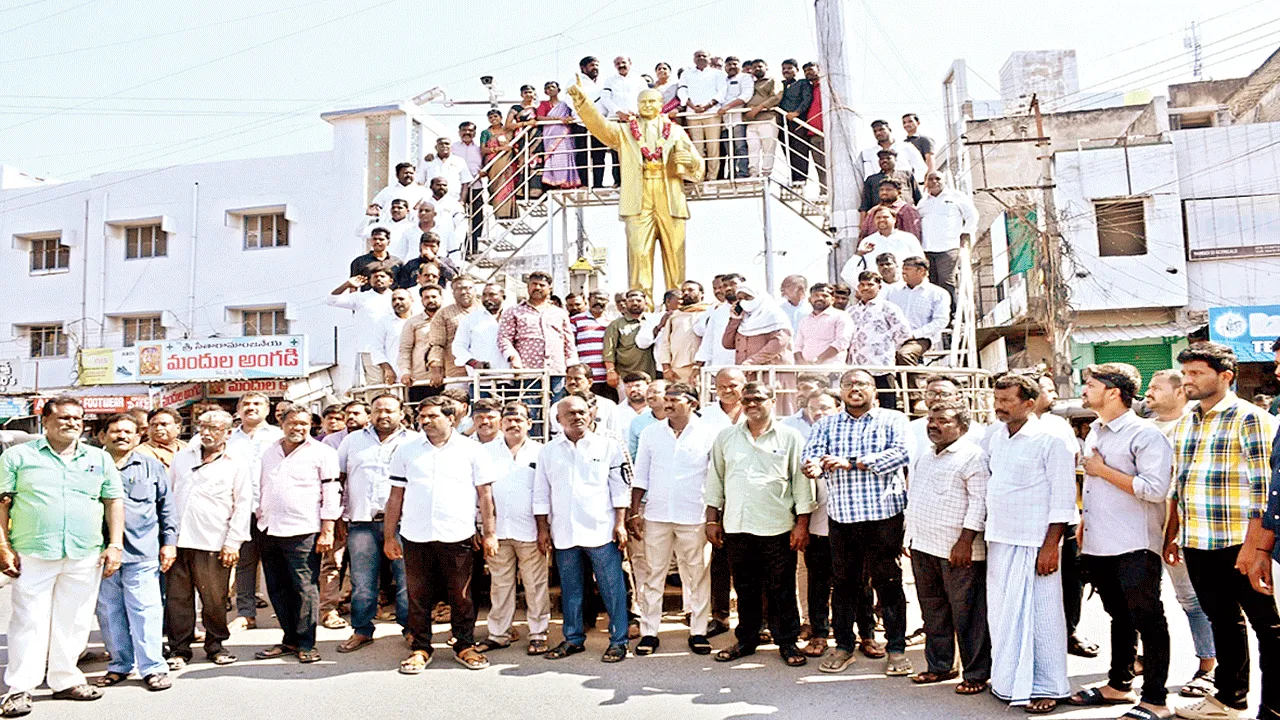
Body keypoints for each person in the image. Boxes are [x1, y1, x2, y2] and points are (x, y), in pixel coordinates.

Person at [1168, 342, 1280, 720]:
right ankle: (1230, 700)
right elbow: (1179, 485)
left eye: (1196, 373)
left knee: (1269, 629)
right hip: (1198, 541)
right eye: (1185, 373)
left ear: (1226, 376)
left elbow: (1264, 489)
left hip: (1241, 543)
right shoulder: (1186, 422)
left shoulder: (1251, 419)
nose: (1187, 381)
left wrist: (1254, 547)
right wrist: (1173, 534)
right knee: (1223, 623)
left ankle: (1274, 709)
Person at [0, 398, 125, 715]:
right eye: (64, 417)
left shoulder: (98, 458)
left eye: (77, 418)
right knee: (29, 620)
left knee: (75, 620)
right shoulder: (18, 456)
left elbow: (113, 501)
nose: (72, 423)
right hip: (34, 550)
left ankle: (65, 680)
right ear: (45, 420)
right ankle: (20, 688)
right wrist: (3, 545)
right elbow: (1, 503)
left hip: (85, 551)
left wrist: (115, 545)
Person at [1063, 364, 1173, 719]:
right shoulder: (1096, 430)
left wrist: (1103, 471)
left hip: (1134, 544)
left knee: (1148, 619)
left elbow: (1155, 490)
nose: (1084, 390)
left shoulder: (1144, 434)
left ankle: (1155, 699)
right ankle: (1119, 685)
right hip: (1100, 542)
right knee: (1119, 616)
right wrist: (1086, 522)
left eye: (1090, 385)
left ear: (1113, 392)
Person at [802, 369, 912, 676]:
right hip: (843, 518)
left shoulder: (893, 419)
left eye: (861, 384)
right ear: (841, 392)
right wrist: (812, 466)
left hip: (884, 516)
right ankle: (844, 647)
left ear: (874, 390)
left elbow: (901, 454)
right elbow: (811, 455)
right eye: (848, 384)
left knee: (888, 584)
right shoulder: (826, 424)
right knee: (844, 585)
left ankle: (896, 650)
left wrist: (851, 463)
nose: (854, 389)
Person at [983, 374, 1076, 713]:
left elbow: (1064, 497)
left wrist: (1051, 546)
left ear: (1029, 403)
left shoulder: (1052, 439)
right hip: (1000, 537)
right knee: (1003, 615)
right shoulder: (995, 437)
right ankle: (1009, 682)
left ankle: (1048, 687)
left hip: (1035, 541)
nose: (999, 407)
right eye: (997, 400)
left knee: (1042, 616)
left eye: (1007, 401)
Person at [567, 74, 704, 300]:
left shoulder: (676, 131)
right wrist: (582, 100)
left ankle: (679, 303)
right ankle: (641, 305)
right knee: (639, 253)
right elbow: (599, 126)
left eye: (652, 101)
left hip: (669, 194)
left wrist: (690, 162)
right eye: (643, 102)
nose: (647, 105)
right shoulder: (625, 131)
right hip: (638, 196)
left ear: (661, 104)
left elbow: (698, 165)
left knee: (675, 253)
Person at [386, 397, 498, 673]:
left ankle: (464, 645)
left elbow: (485, 496)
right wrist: (389, 536)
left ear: (451, 418)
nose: (425, 421)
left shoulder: (472, 450)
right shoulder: (406, 450)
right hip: (415, 534)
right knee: (417, 596)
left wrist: (490, 534)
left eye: (432, 416)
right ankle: (421, 648)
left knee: (462, 595)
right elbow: (395, 496)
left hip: (458, 534)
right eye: (422, 416)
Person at [706, 382, 813, 667]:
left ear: (772, 401)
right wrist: (711, 519)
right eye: (746, 400)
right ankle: (747, 639)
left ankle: (787, 641)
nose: (752, 404)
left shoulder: (790, 437)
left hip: (777, 525)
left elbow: (801, 483)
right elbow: (715, 479)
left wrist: (802, 524)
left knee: (781, 588)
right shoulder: (727, 437)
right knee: (744, 587)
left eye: (758, 399)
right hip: (737, 525)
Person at [535, 394, 633, 663]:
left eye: (582, 412)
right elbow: (541, 493)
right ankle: (573, 638)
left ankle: (619, 641)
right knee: (571, 590)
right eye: (571, 413)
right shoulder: (548, 451)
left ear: (590, 414)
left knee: (612, 588)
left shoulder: (608, 446)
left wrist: (620, 523)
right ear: (559, 419)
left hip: (601, 529)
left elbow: (620, 488)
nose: (577, 417)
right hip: (564, 531)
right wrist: (543, 529)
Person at [903, 399, 991, 694]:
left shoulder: (973, 457)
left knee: (968, 615)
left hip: (958, 551)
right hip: (924, 545)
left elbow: (980, 503)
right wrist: (910, 537)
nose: (934, 425)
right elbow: (915, 497)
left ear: (962, 427)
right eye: (931, 420)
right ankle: (940, 666)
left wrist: (965, 541)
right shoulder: (926, 455)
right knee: (933, 611)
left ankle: (976, 674)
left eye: (943, 421)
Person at [628, 382, 718, 656]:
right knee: (654, 574)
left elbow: (715, 478)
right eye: (666, 399)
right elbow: (641, 475)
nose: (667, 404)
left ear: (692, 403)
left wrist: (712, 518)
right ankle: (649, 632)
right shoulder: (651, 433)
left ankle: (698, 631)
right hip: (656, 514)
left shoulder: (709, 433)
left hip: (694, 514)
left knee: (697, 575)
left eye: (674, 400)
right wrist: (634, 511)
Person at [1145, 369, 1219, 699]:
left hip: (1183, 530)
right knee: (1143, 598)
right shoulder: (1144, 429)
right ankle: (1144, 658)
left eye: (1156, 388)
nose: (1149, 393)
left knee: (1191, 599)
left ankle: (1207, 665)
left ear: (1179, 393)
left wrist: (1173, 532)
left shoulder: (1194, 426)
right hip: (1144, 527)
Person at [91, 413, 175, 692]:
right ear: (102, 436)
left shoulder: (152, 466)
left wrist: (169, 542)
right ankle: (120, 664)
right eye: (115, 431)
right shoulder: (90, 465)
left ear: (138, 437)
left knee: (145, 610)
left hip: (143, 551)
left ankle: (153, 667)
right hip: (100, 552)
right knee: (109, 611)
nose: (122, 436)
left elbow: (166, 507)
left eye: (129, 432)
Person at [252, 408, 340, 665]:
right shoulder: (269, 451)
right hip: (269, 528)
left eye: (303, 423)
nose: (298, 428)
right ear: (281, 423)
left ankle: (306, 643)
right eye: (292, 423)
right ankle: (289, 638)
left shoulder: (323, 452)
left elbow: (331, 492)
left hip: (303, 530)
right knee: (277, 587)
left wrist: (328, 529)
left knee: (304, 588)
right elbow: (260, 486)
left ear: (311, 425)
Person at [166, 409, 253, 670]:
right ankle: (179, 649)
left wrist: (233, 543)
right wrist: (167, 538)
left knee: (214, 599)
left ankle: (216, 645)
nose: (206, 433)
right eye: (202, 427)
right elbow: (169, 496)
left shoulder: (236, 462)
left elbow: (243, 504)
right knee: (178, 599)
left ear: (228, 432)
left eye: (214, 428)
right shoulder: (182, 458)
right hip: (180, 540)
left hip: (214, 541)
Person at [333, 395, 417, 653]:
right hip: (362, 522)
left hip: (404, 524)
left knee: (407, 581)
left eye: (389, 410)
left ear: (401, 413)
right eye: (378, 410)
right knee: (363, 582)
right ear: (370, 413)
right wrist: (337, 516)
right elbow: (338, 480)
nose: (383, 415)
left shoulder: (415, 442)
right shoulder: (352, 441)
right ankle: (361, 630)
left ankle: (410, 629)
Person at [477, 403, 550, 655]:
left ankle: (538, 633)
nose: (513, 424)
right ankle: (499, 634)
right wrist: (483, 529)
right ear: (501, 423)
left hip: (530, 530)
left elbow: (545, 493)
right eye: (508, 420)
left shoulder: (542, 452)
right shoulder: (485, 452)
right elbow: (480, 493)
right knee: (500, 585)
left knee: (535, 584)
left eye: (519, 419)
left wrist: (544, 530)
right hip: (497, 531)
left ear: (529, 423)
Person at [226, 392, 284, 632]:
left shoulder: (279, 436)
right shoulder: (229, 438)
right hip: (240, 510)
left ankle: (284, 613)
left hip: (273, 509)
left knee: (277, 564)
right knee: (244, 563)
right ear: (238, 409)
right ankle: (246, 614)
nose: (251, 408)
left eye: (257, 404)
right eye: (246, 404)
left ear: (267, 409)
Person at [498, 271, 578, 401]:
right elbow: (504, 338)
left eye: (542, 285)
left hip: (556, 370)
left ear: (550, 288)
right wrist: (513, 357)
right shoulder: (514, 311)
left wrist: (572, 365)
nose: (537, 288)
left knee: (557, 408)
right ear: (528, 286)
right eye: (534, 284)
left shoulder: (559, 313)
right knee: (530, 409)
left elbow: (568, 341)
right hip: (528, 371)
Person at [845, 271, 910, 408]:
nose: (865, 288)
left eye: (870, 284)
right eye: (862, 285)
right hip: (858, 367)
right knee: (860, 404)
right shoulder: (851, 311)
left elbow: (903, 333)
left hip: (881, 365)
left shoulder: (888, 308)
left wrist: (885, 348)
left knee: (887, 404)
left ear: (879, 287)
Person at [917, 171, 977, 312]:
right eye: (930, 179)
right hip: (927, 249)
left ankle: (952, 313)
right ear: (926, 183)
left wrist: (966, 233)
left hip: (949, 247)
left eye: (938, 178)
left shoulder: (956, 196)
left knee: (946, 281)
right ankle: (937, 313)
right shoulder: (923, 202)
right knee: (932, 283)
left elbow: (972, 216)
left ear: (944, 181)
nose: (934, 181)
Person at [329, 269, 396, 389]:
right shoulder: (361, 297)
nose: (378, 279)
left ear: (391, 281)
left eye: (382, 276)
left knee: (398, 384)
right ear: (370, 281)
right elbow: (331, 300)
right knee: (376, 386)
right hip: (370, 349)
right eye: (375, 277)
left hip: (394, 347)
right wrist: (347, 284)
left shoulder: (398, 297)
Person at [887, 256, 951, 365]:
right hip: (893, 338)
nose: (903, 272)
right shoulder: (892, 291)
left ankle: (919, 376)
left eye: (907, 269)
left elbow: (941, 321)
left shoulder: (938, 293)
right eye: (903, 269)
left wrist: (914, 334)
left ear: (921, 271)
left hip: (921, 338)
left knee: (904, 355)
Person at [599, 56, 650, 185]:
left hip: (636, 119)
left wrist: (638, 112)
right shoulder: (610, 80)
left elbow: (645, 97)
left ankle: (639, 180)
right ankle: (619, 181)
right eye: (617, 63)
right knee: (617, 151)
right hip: (616, 120)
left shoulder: (639, 80)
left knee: (638, 149)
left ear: (630, 63)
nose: (621, 65)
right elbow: (605, 98)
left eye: (623, 62)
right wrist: (618, 112)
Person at [646, 279, 708, 383]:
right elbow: (665, 343)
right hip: (678, 368)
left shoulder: (709, 312)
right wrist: (666, 368)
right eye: (683, 291)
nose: (686, 293)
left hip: (704, 367)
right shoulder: (674, 315)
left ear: (701, 293)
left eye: (690, 290)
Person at [427, 275, 481, 392]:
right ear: (453, 293)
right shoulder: (443, 314)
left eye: (468, 288)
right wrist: (436, 368)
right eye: (459, 289)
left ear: (475, 290)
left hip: (485, 371)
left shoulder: (486, 310)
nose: (464, 292)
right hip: (457, 373)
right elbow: (437, 344)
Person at [679, 50, 727, 180]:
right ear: (693, 59)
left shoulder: (718, 74)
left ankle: (712, 176)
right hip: (693, 114)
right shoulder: (686, 73)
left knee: (713, 147)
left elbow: (722, 92)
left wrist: (708, 105)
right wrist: (693, 106)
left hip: (712, 113)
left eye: (704, 56)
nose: (701, 58)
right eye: (698, 56)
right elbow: (682, 91)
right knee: (697, 148)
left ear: (709, 59)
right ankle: (699, 175)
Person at [721, 284, 794, 366]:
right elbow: (727, 344)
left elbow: (778, 343)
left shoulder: (775, 316)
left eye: (747, 297)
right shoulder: (743, 319)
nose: (744, 302)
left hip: (771, 371)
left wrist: (752, 362)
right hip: (746, 371)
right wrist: (735, 320)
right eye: (740, 299)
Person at [398, 285, 445, 401]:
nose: (431, 300)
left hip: (447, 377)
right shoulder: (413, 322)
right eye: (426, 297)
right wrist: (405, 372)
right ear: (422, 300)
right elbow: (405, 349)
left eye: (434, 296)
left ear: (441, 298)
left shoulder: (449, 319)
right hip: (421, 379)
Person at [453, 281, 509, 378]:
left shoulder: (512, 317)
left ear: (503, 297)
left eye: (492, 295)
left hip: (509, 378)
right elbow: (458, 347)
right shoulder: (470, 319)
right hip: (480, 380)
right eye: (484, 295)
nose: (487, 298)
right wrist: (474, 363)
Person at [604, 288, 658, 386]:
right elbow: (609, 350)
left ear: (646, 303)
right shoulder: (616, 324)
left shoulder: (654, 321)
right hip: (625, 376)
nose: (635, 303)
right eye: (631, 301)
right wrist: (610, 371)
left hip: (651, 375)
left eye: (639, 300)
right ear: (626, 303)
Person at [794, 282, 853, 365]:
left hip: (831, 369)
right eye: (816, 295)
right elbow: (797, 346)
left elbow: (841, 342)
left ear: (832, 300)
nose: (820, 298)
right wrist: (802, 363)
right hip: (806, 369)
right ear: (809, 299)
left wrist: (818, 360)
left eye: (825, 296)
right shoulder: (804, 321)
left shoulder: (841, 316)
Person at [536, 81, 582, 189]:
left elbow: (572, 116)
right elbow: (539, 117)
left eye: (553, 87)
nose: (551, 89)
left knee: (566, 155)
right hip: (550, 134)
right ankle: (555, 181)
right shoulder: (544, 104)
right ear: (545, 92)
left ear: (558, 90)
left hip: (564, 134)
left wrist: (568, 118)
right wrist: (558, 119)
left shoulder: (565, 105)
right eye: (548, 88)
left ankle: (568, 181)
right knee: (554, 157)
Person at [570, 290, 613, 400]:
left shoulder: (612, 322)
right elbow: (570, 346)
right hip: (584, 377)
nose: (599, 302)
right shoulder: (575, 320)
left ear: (608, 302)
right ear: (588, 300)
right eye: (596, 298)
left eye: (603, 299)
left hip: (607, 377)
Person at [695, 273, 743, 369]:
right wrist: (697, 366)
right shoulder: (717, 311)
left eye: (732, 284)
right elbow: (708, 340)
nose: (728, 288)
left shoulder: (755, 308)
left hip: (748, 367)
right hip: (720, 366)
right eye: (724, 286)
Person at [716, 56, 753, 179]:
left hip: (738, 118)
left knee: (740, 147)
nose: (732, 67)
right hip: (723, 121)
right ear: (725, 67)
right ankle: (732, 173)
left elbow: (746, 95)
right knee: (729, 150)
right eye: (729, 65)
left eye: (734, 64)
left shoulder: (745, 77)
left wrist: (728, 107)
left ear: (739, 65)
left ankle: (742, 173)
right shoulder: (722, 80)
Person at [777, 59, 814, 185]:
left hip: (798, 122)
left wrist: (797, 112)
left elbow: (807, 98)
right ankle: (793, 178)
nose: (786, 71)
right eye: (784, 69)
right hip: (783, 123)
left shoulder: (803, 83)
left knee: (800, 151)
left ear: (796, 70)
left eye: (789, 68)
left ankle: (801, 179)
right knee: (788, 152)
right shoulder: (781, 85)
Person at [858, 119, 926, 184]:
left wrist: (911, 184)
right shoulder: (868, 152)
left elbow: (921, 168)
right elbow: (867, 175)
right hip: (880, 189)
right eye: (875, 131)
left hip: (904, 187)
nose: (878, 133)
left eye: (881, 129)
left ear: (889, 130)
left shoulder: (906, 147)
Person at [453, 122, 485, 257]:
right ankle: (456, 248)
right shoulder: (452, 148)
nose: (467, 133)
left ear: (475, 133)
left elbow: (486, 165)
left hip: (475, 186)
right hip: (457, 188)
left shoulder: (479, 149)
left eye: (470, 130)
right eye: (464, 130)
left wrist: (484, 172)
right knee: (457, 218)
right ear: (459, 132)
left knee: (477, 218)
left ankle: (472, 247)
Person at [743, 60, 780, 178]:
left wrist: (758, 108)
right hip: (751, 121)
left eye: (760, 66)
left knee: (768, 148)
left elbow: (776, 97)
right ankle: (753, 173)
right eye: (754, 67)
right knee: (752, 148)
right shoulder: (750, 83)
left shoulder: (772, 80)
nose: (757, 69)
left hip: (767, 119)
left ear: (766, 67)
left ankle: (766, 174)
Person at [480, 109, 517, 219]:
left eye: (495, 116)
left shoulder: (508, 130)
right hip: (492, 163)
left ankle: (508, 213)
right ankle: (499, 213)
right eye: (490, 117)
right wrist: (499, 149)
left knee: (506, 184)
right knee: (496, 187)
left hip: (507, 161)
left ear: (501, 117)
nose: (493, 119)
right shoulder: (486, 133)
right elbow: (483, 149)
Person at [372, 289, 414, 385]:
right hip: (396, 376)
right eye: (394, 300)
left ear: (411, 300)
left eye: (401, 299)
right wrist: (387, 369)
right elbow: (376, 349)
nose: (397, 302)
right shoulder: (384, 322)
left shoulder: (420, 319)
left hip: (419, 375)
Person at [860, 150, 921, 214]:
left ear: (895, 159)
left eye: (888, 158)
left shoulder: (907, 175)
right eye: (881, 159)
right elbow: (865, 205)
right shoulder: (871, 180)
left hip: (906, 214)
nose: (884, 160)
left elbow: (919, 199)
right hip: (881, 216)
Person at [421, 136, 473, 204]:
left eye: (447, 144)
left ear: (451, 147)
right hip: (431, 200)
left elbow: (465, 183)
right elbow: (420, 182)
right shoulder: (427, 161)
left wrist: (462, 201)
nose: (444, 146)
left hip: (453, 200)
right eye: (441, 144)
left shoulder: (459, 161)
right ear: (436, 147)